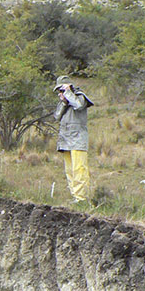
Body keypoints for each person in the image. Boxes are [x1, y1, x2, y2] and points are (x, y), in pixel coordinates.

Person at [54, 75, 95, 204]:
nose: (61, 93)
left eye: (62, 89)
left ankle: (82, 198)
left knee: (79, 169)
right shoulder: (64, 102)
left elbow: (78, 105)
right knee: (69, 170)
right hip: (65, 140)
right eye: (59, 91)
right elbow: (56, 116)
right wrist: (64, 102)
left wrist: (69, 93)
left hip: (78, 140)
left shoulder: (80, 97)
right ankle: (75, 197)